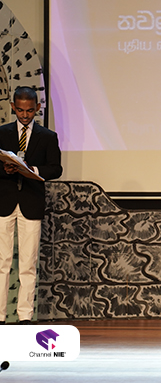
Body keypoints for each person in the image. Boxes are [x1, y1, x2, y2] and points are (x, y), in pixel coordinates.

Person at [0, 86, 62, 324]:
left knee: (28, 263)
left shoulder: (47, 136)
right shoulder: (2, 133)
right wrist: (5, 169)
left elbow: (56, 168)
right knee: (2, 262)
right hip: (4, 202)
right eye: (20, 110)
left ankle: (25, 317)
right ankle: (0, 316)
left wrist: (32, 170)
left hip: (31, 202)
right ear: (13, 107)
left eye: (29, 110)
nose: (25, 115)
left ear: (37, 107)